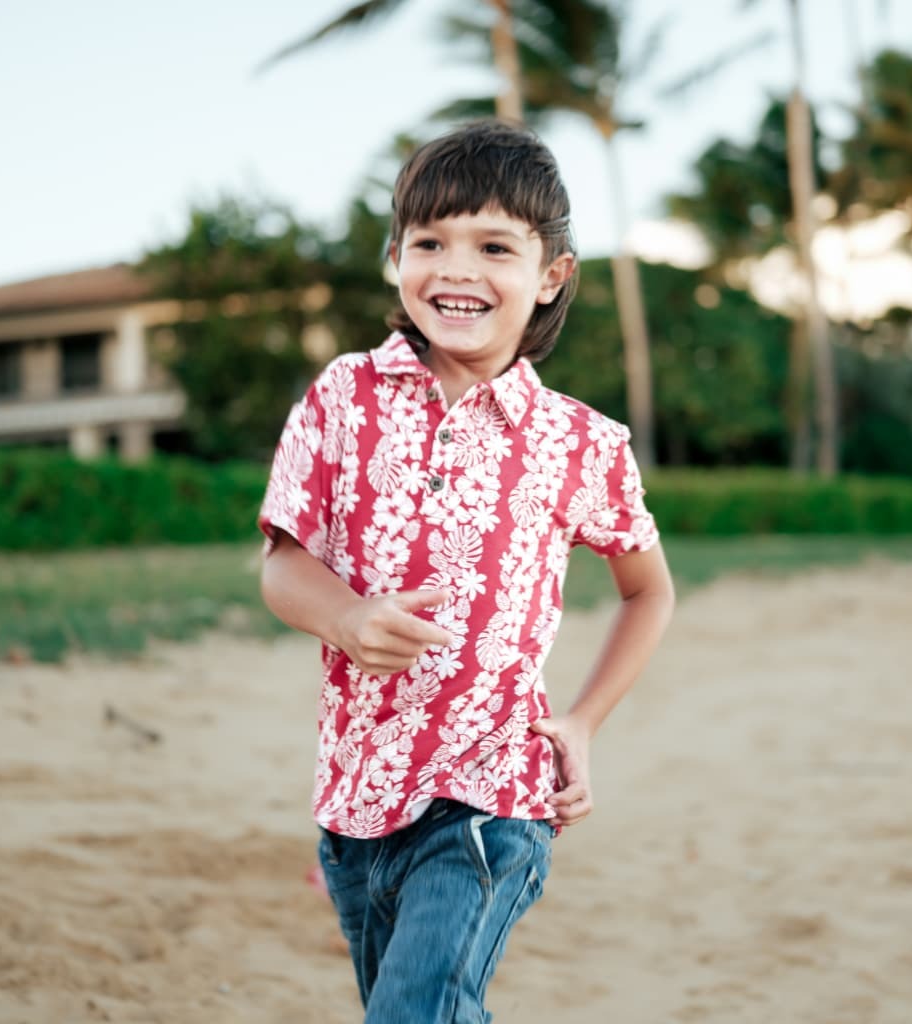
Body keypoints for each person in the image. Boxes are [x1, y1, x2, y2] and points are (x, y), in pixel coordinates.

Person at [258, 119, 675, 1023]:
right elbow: (284, 564)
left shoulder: (581, 443)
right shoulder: (343, 397)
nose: (458, 270)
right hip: (356, 798)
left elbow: (649, 590)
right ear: (394, 259)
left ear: (551, 273)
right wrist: (346, 617)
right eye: (430, 242)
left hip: (495, 796)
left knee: (414, 1013)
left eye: (495, 247)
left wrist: (585, 721)